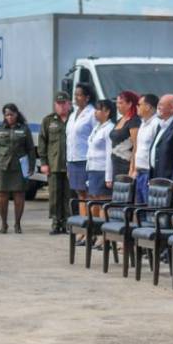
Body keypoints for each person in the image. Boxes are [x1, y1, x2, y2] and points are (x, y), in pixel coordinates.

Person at [0, 103, 36, 234]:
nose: (9, 117)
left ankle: (17, 224)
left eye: (12, 114)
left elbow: (30, 149)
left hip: (20, 167)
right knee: (2, 195)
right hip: (2, 166)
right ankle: (4, 224)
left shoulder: (24, 129)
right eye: (7, 115)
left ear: (17, 114)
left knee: (19, 195)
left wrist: (31, 166)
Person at [83, 99, 116, 244]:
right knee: (93, 202)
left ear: (107, 112)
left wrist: (109, 176)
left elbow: (110, 154)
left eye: (98, 110)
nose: (95, 112)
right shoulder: (97, 127)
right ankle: (94, 233)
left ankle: (104, 236)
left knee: (103, 203)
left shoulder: (109, 128)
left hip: (103, 169)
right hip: (93, 169)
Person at [39, 91, 71, 235]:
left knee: (69, 195)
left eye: (64, 103)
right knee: (54, 195)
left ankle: (68, 222)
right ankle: (56, 222)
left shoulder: (75, 118)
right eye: (59, 104)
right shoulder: (48, 121)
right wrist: (44, 162)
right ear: (55, 105)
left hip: (71, 164)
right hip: (54, 164)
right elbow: (42, 142)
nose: (62, 106)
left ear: (69, 104)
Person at [66, 83, 98, 216]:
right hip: (73, 158)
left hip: (85, 159)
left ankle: (92, 225)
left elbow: (96, 135)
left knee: (90, 194)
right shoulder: (73, 114)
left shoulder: (92, 114)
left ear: (87, 97)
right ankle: (82, 228)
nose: (76, 98)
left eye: (79, 95)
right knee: (80, 194)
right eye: (75, 95)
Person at [107, 91, 141, 189]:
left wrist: (132, 168)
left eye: (121, 103)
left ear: (130, 104)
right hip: (116, 165)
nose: (118, 105)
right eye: (117, 103)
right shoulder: (119, 120)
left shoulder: (134, 121)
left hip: (126, 164)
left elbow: (136, 145)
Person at [132, 94, 159, 203]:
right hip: (139, 172)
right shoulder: (143, 123)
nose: (136, 107)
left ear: (148, 107)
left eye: (139, 105)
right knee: (139, 207)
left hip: (149, 172)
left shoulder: (156, 123)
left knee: (149, 206)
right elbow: (138, 148)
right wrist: (134, 169)